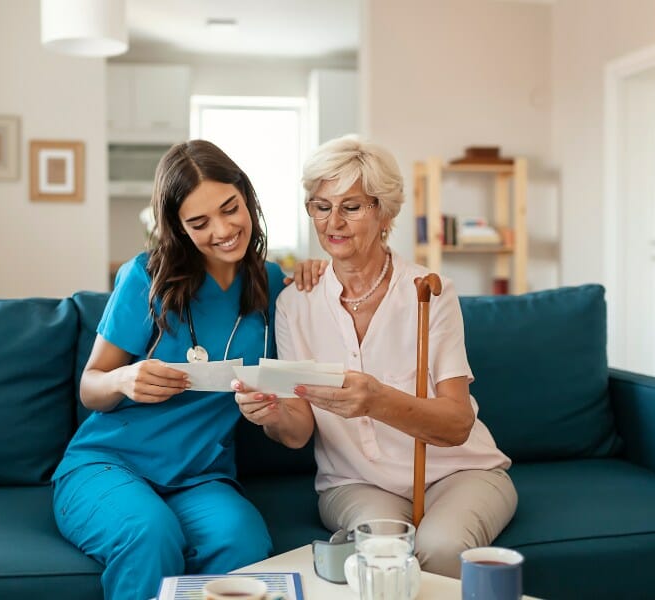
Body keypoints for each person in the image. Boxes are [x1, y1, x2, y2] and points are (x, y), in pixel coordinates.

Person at [235, 136, 517, 578]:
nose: (333, 222)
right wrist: (271, 413)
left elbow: (458, 423)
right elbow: (297, 432)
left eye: (352, 207)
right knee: (383, 551)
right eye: (321, 206)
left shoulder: (429, 292)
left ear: (384, 212)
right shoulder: (296, 302)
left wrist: (377, 400)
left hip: (459, 472)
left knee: (440, 547)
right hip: (355, 483)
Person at [52, 140, 284, 600]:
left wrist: (321, 271)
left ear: (246, 197)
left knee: (244, 540)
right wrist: (124, 379)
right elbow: (90, 387)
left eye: (229, 208)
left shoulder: (273, 284)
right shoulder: (146, 277)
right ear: (178, 228)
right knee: (148, 534)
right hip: (108, 464)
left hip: (200, 477)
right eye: (199, 223)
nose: (222, 230)